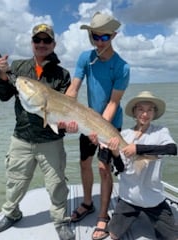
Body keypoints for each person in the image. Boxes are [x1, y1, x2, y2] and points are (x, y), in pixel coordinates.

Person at [0, 23, 77, 240]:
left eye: (46, 40)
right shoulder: (18, 67)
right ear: (32, 43)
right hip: (21, 137)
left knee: (57, 184)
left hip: (51, 140)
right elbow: (4, 96)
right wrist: (3, 76)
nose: (41, 44)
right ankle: (11, 213)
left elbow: (65, 109)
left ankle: (60, 221)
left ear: (54, 44)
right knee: (15, 181)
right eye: (37, 40)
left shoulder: (62, 74)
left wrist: (69, 124)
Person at [66, 12, 130, 240]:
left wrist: (98, 129)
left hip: (111, 123)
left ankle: (103, 216)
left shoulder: (122, 67)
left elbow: (113, 102)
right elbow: (73, 89)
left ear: (113, 36)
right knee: (84, 163)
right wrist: (65, 110)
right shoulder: (85, 57)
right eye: (95, 36)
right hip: (87, 120)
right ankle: (87, 202)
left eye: (104, 37)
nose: (99, 41)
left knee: (104, 168)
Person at [104, 91, 178, 240]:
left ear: (155, 112)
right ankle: (128, 212)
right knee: (113, 234)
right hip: (129, 198)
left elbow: (172, 149)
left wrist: (137, 148)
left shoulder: (161, 132)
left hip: (154, 200)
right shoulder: (124, 135)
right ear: (134, 112)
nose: (145, 114)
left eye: (149, 109)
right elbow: (120, 169)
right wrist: (115, 153)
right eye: (141, 109)